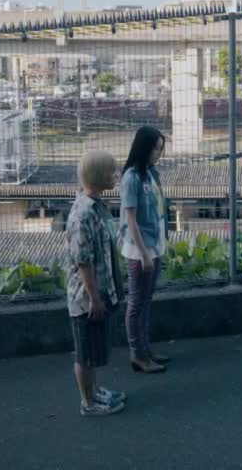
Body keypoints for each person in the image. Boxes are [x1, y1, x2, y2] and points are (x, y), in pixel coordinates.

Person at [64, 150, 127, 417]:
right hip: (86, 298)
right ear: (99, 175)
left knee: (91, 349)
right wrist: (94, 298)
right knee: (84, 354)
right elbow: (83, 261)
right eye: (113, 171)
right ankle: (88, 403)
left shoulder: (95, 205)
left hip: (97, 293)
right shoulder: (83, 214)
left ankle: (94, 391)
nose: (117, 175)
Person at [120, 126, 171, 373]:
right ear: (144, 148)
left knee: (145, 301)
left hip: (154, 244)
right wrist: (143, 254)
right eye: (155, 148)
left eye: (160, 149)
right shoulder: (132, 178)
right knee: (136, 303)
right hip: (140, 250)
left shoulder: (150, 173)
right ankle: (137, 354)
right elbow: (130, 220)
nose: (158, 153)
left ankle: (145, 349)